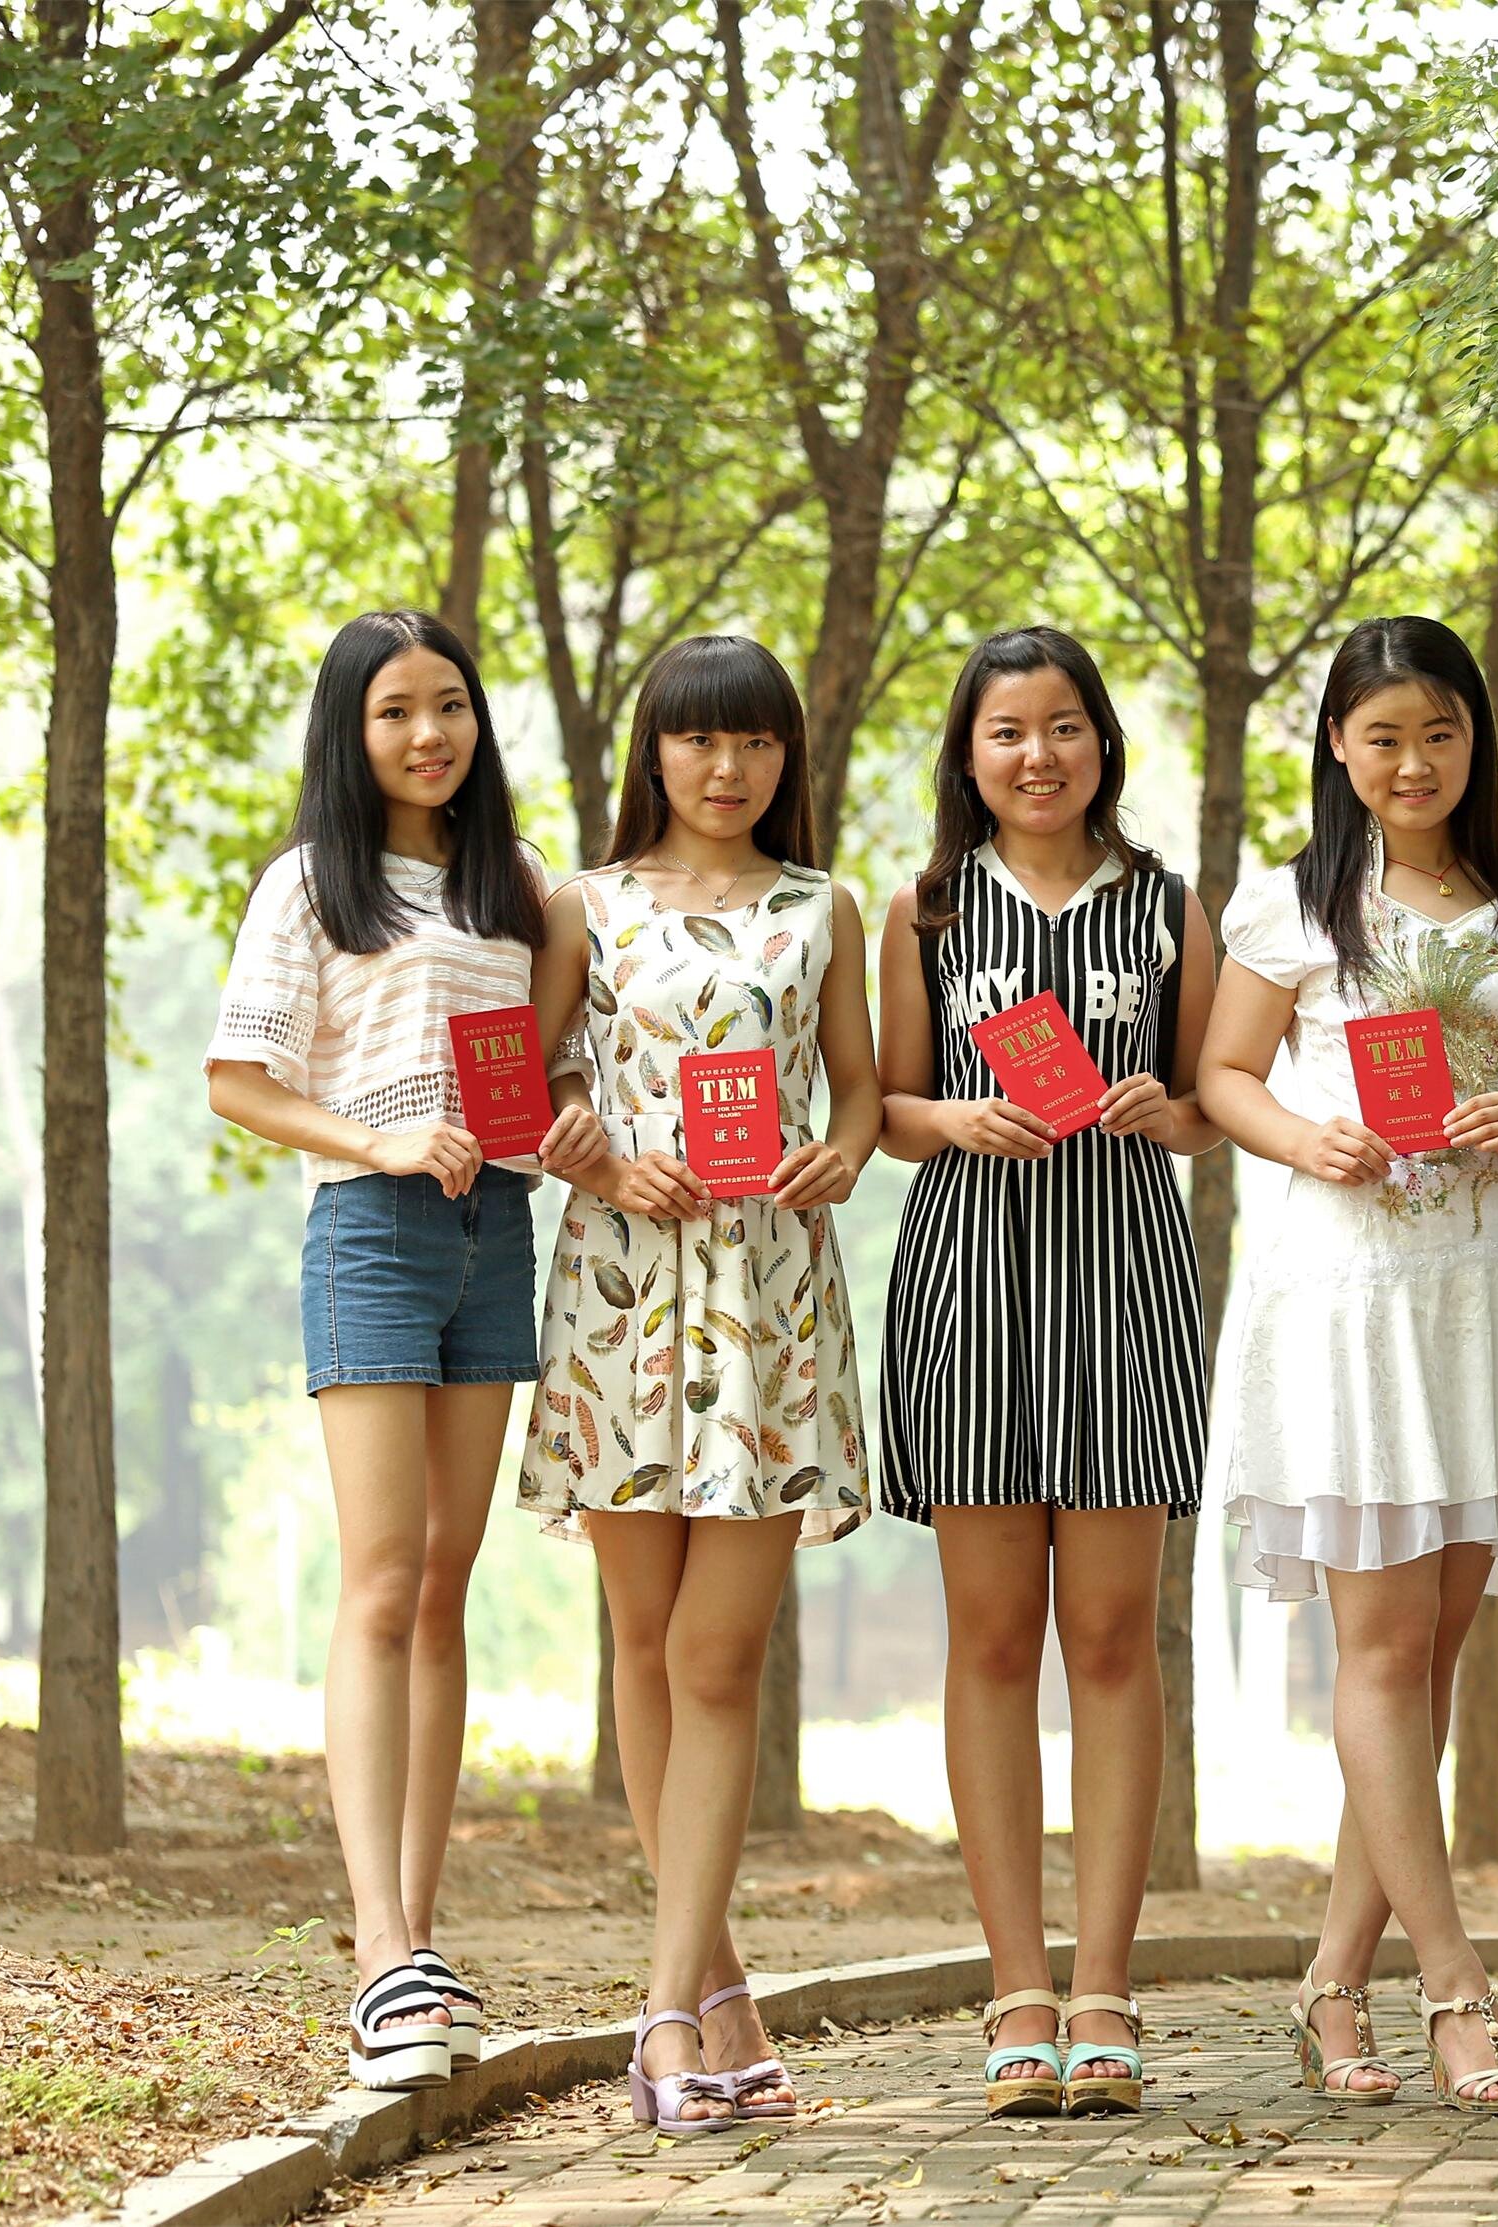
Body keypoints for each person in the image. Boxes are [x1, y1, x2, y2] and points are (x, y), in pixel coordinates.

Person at [1199, 617, 1498, 2114]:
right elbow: (1226, 1074)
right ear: (1340, 749)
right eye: (1383, 737)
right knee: (1379, 1654)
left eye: (1438, 733)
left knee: (1431, 1658)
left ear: (1474, 738)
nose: (1413, 763)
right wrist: (1309, 1140)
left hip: (1485, 1289)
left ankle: (1329, 1985)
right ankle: (1455, 1989)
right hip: (1348, 1295)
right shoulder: (1293, 904)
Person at [206, 610, 596, 2091]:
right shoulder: (315, 880)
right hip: (371, 1232)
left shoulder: (520, 885)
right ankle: (378, 1950)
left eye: (449, 706)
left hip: (500, 1232)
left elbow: (550, 1064)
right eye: (393, 712)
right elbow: (238, 1080)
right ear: (349, 732)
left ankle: (422, 1939)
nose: (428, 735)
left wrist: (564, 1122)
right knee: (381, 1579)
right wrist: (377, 1140)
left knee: (446, 1582)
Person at [517, 635, 879, 2136]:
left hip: (769, 1299)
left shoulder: (821, 908)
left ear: (787, 758)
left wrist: (841, 1154)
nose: (727, 769)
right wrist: (598, 1155)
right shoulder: (583, 905)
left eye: (756, 743)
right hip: (620, 1291)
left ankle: (667, 2011)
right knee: (644, 1639)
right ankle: (713, 1994)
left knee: (717, 1658)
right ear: (653, 753)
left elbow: (858, 1090)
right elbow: (535, 1076)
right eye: (698, 741)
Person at [877, 626, 1220, 2116]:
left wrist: (1169, 1110)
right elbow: (882, 1107)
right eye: (1008, 730)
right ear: (970, 754)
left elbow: (1216, 1099)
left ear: (1102, 744)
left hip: (1127, 1279)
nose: (1038, 755)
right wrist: (953, 1120)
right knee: (994, 1638)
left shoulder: (1167, 905)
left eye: (1064, 725)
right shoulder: (928, 910)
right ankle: (1018, 1987)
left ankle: (1106, 1989)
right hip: (970, 1281)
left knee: (1114, 1636)